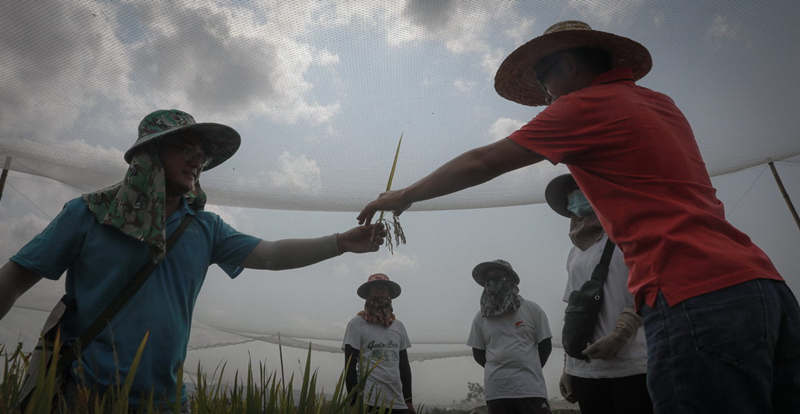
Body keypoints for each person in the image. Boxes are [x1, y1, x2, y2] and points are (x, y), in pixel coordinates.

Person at [357, 20, 799, 414]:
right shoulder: (662, 104)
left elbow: (483, 161)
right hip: (764, 287)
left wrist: (404, 195)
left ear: (568, 64)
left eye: (543, 76)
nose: (545, 93)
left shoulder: (584, 106)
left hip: (692, 296)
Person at [0, 109, 386, 409]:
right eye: (184, 146)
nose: (197, 158)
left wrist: (339, 242)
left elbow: (270, 254)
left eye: (201, 153)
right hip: (84, 399)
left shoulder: (204, 228)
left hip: (165, 403)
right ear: (150, 154)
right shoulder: (89, 215)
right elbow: (15, 278)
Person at [546, 174, 651, 414]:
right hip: (586, 370)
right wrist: (568, 366)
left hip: (632, 364)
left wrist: (622, 332)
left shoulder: (628, 236)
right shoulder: (575, 253)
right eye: (570, 195)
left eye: (581, 189)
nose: (574, 197)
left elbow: (654, 289)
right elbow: (573, 309)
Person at [466, 260, 552, 414]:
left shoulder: (532, 310)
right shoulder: (481, 317)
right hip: (497, 392)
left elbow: (545, 346)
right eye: (488, 280)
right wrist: (500, 368)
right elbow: (478, 353)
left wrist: (528, 367)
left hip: (531, 390)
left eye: (497, 277)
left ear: (510, 280)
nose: (492, 283)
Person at [342, 273, 415, 413]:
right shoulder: (356, 324)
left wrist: (408, 400)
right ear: (368, 293)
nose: (380, 291)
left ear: (389, 294)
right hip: (368, 401)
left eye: (383, 288)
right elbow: (349, 366)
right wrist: (354, 401)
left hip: (397, 403)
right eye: (375, 288)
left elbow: (404, 366)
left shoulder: (398, 326)